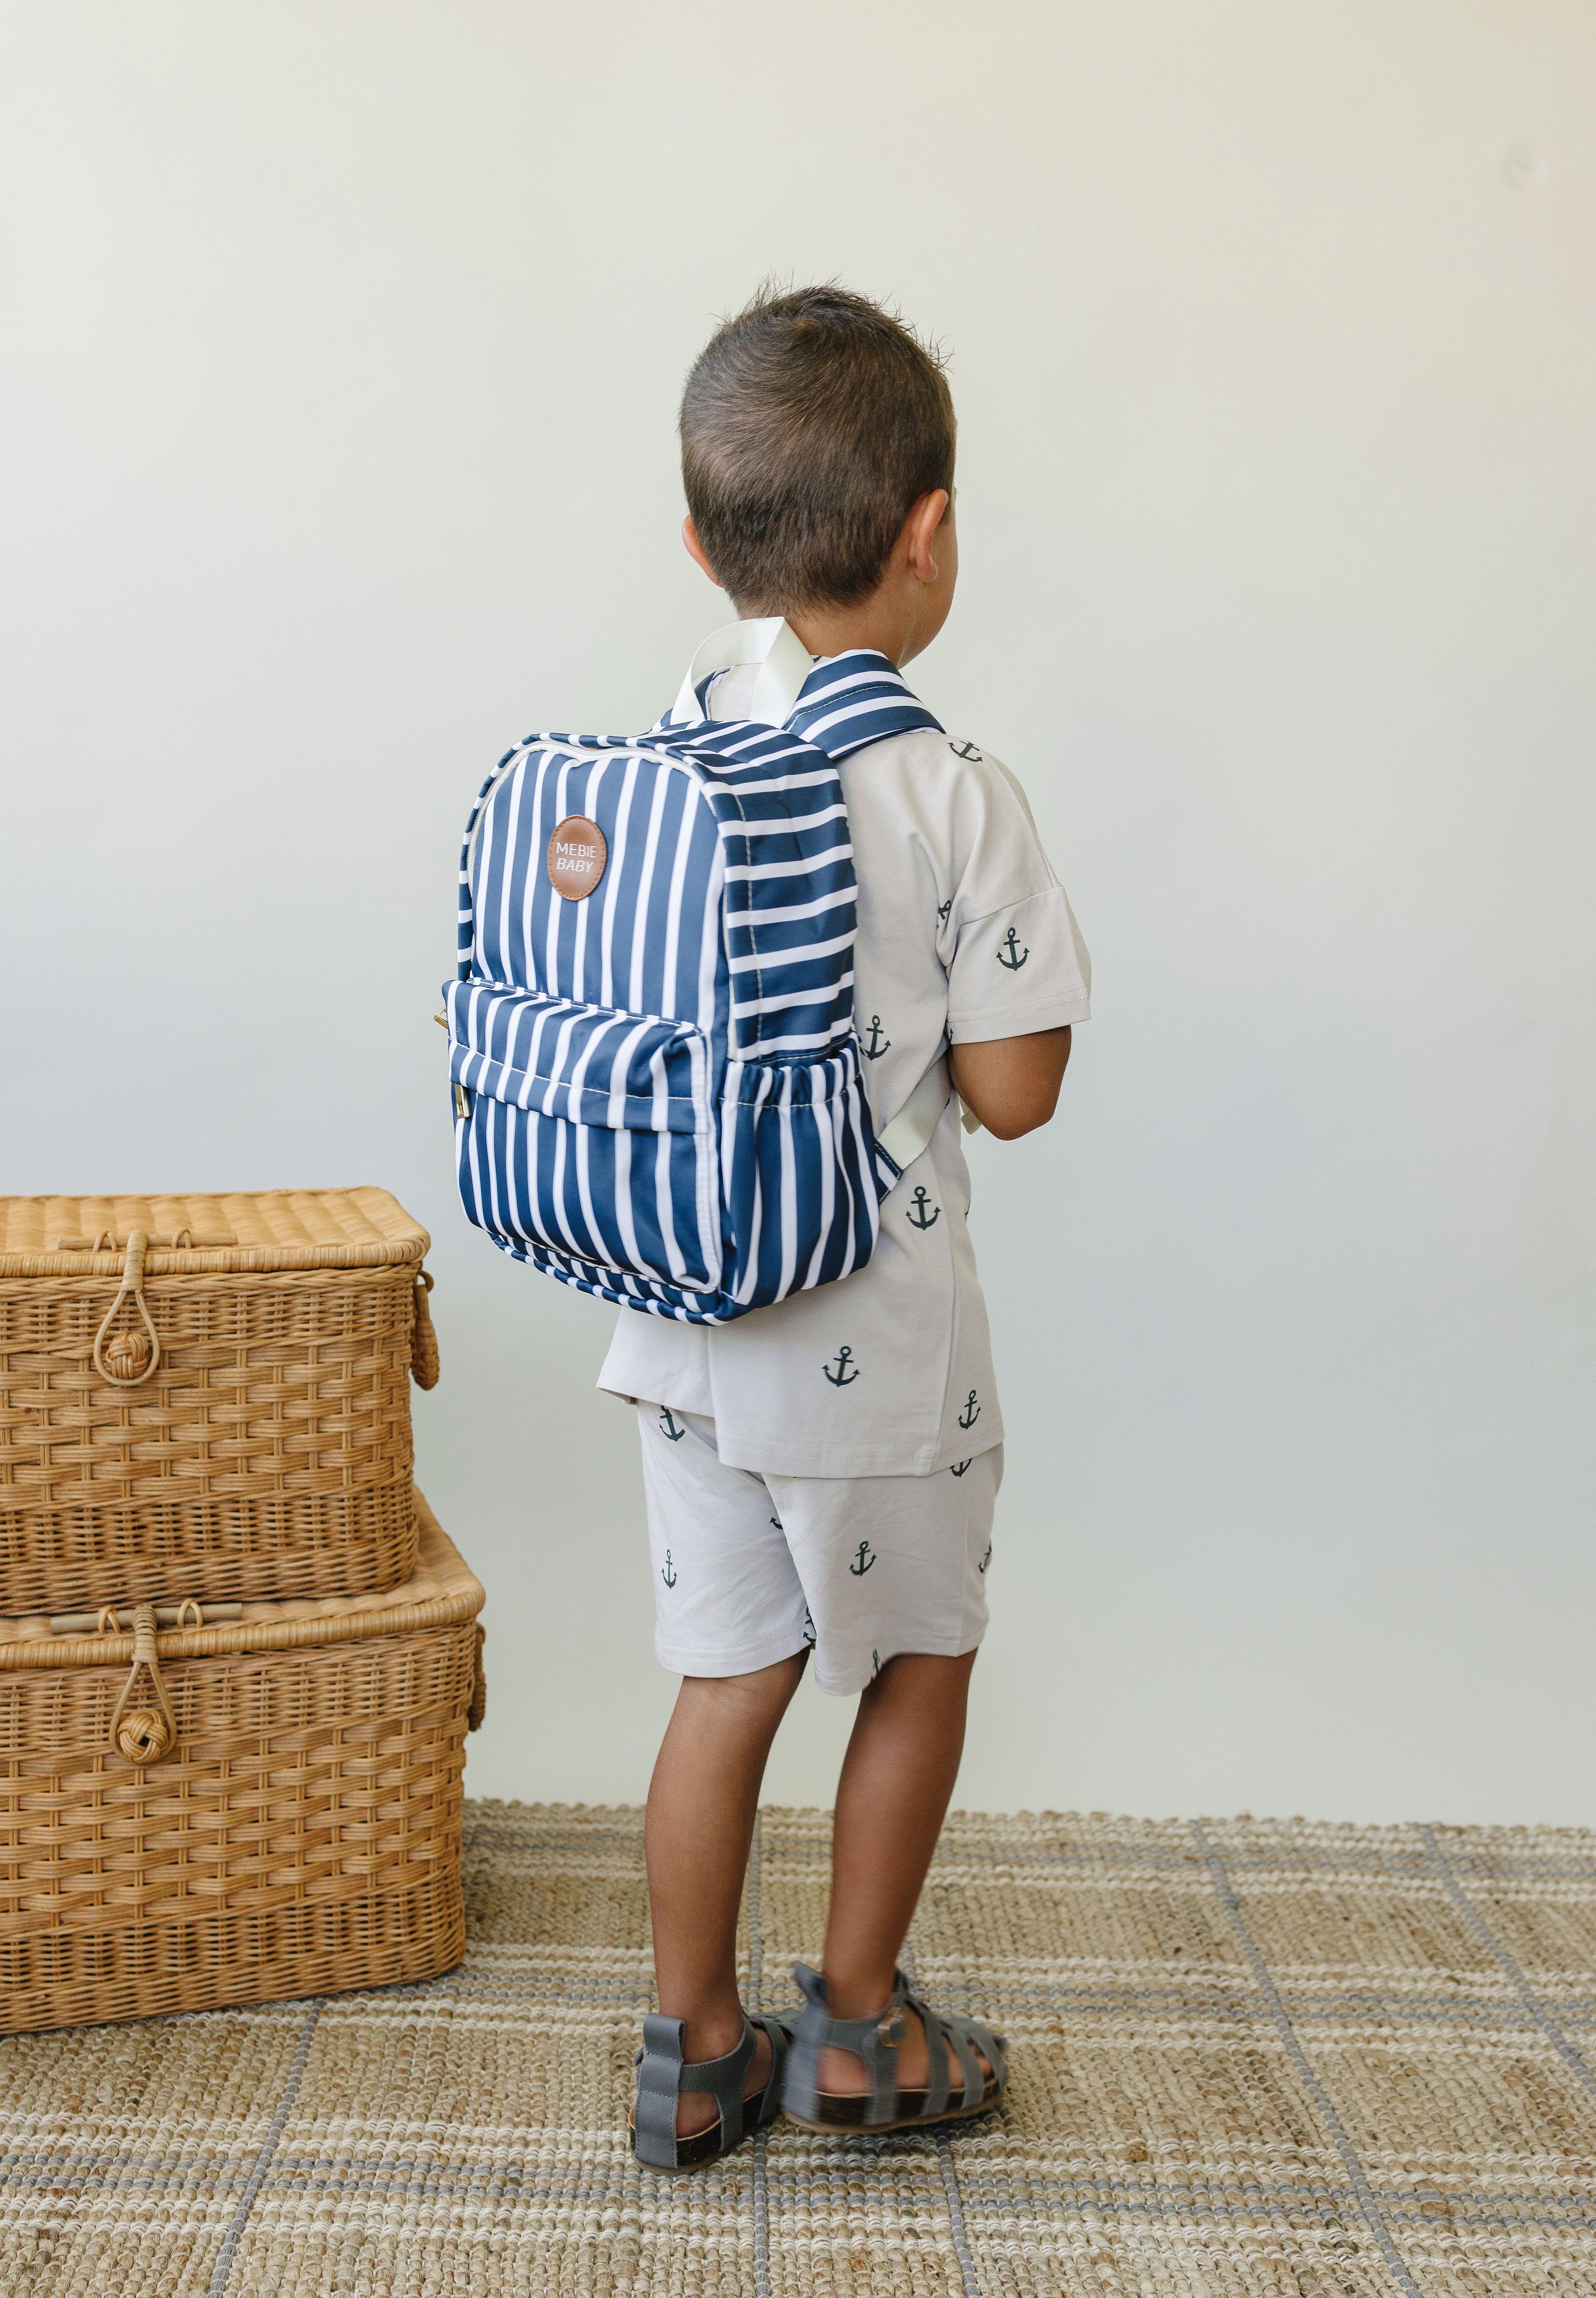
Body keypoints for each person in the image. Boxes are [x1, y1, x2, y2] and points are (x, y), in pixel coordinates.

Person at [602, 284, 1092, 2172]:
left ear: (701, 547)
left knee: (723, 1679)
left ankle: (690, 2044)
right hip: (867, 1340)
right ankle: (859, 2027)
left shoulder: (663, 750)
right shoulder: (948, 792)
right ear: (929, 533)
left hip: (674, 1310)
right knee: (913, 1659)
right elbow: (1017, 1093)